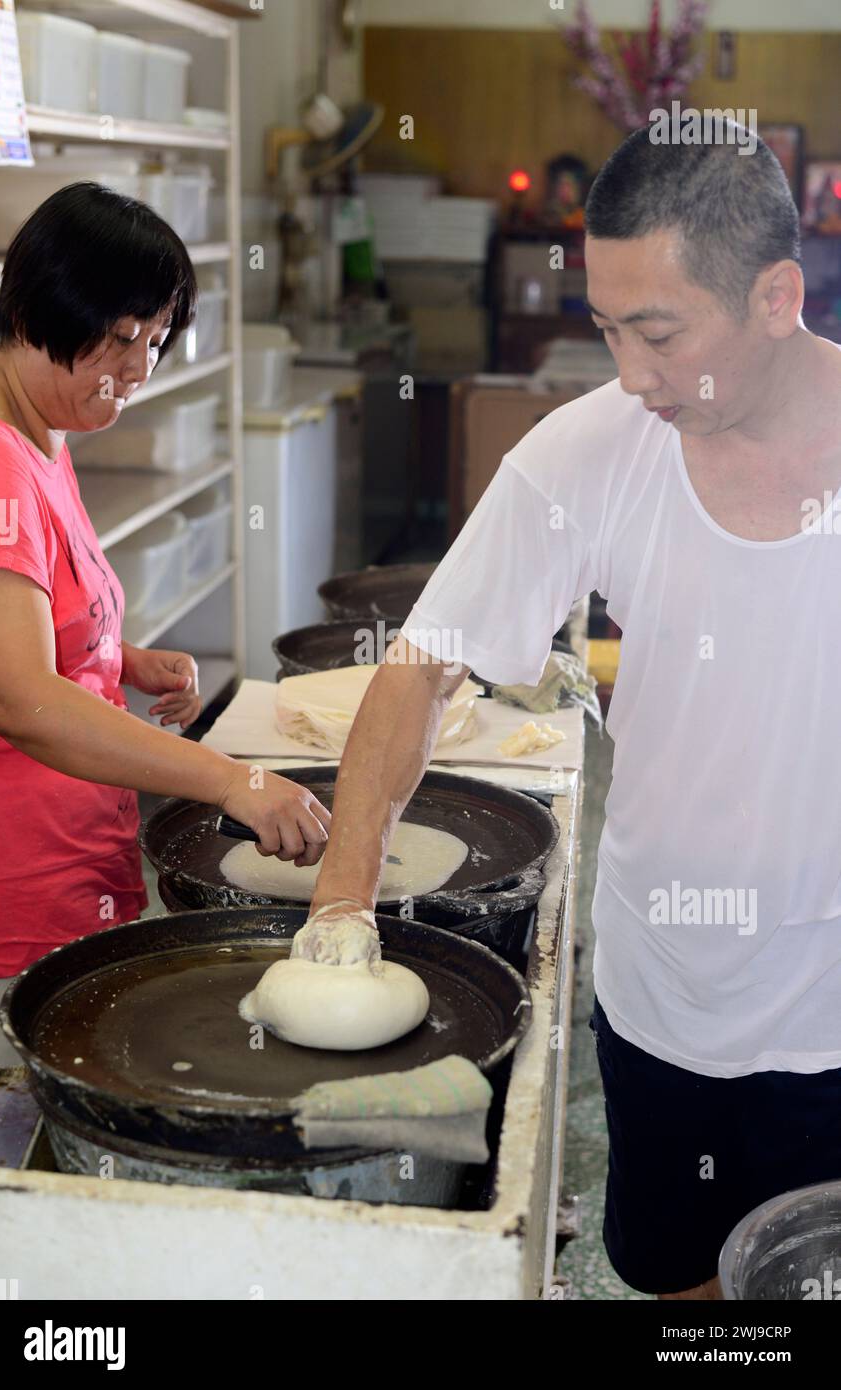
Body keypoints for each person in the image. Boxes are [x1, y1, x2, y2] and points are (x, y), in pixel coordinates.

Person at [304, 124, 841, 1299]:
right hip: (666, 995)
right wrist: (340, 906)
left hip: (834, 1010)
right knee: (685, 1295)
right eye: (607, 328)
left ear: (775, 298)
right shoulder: (595, 450)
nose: (631, 372)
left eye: (657, 333)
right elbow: (421, 665)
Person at [0, 182, 329, 1066]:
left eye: (157, 342)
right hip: (8, 901)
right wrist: (232, 782)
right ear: (36, 308)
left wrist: (115, 657)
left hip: (74, 871)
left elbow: (14, 624)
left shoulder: (39, 434)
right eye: (122, 337)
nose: (138, 371)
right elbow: (18, 697)